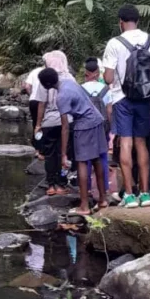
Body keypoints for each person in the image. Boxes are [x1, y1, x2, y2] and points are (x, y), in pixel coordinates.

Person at [103, 4, 150, 208]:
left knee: (125, 144)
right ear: (138, 20)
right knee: (142, 143)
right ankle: (145, 194)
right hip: (145, 99)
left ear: (120, 22)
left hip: (122, 99)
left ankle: (129, 194)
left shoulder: (114, 43)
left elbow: (109, 78)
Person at [38, 67, 108, 217]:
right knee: (96, 159)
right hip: (97, 119)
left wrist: (63, 154)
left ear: (47, 85)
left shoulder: (61, 97)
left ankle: (84, 206)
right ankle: (103, 199)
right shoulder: (69, 82)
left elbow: (64, 127)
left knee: (82, 163)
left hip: (84, 125)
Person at [33, 51, 75, 196]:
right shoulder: (70, 78)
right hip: (68, 120)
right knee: (65, 154)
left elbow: (41, 104)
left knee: (50, 155)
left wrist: (38, 124)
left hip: (49, 122)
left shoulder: (45, 77)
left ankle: (51, 185)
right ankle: (62, 183)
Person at [81, 58, 113, 198]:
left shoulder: (81, 89)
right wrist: (110, 128)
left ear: (86, 73)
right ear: (98, 73)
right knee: (103, 157)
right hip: (102, 126)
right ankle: (104, 188)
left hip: (85, 127)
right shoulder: (105, 89)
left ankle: (86, 189)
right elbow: (109, 110)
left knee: (85, 158)